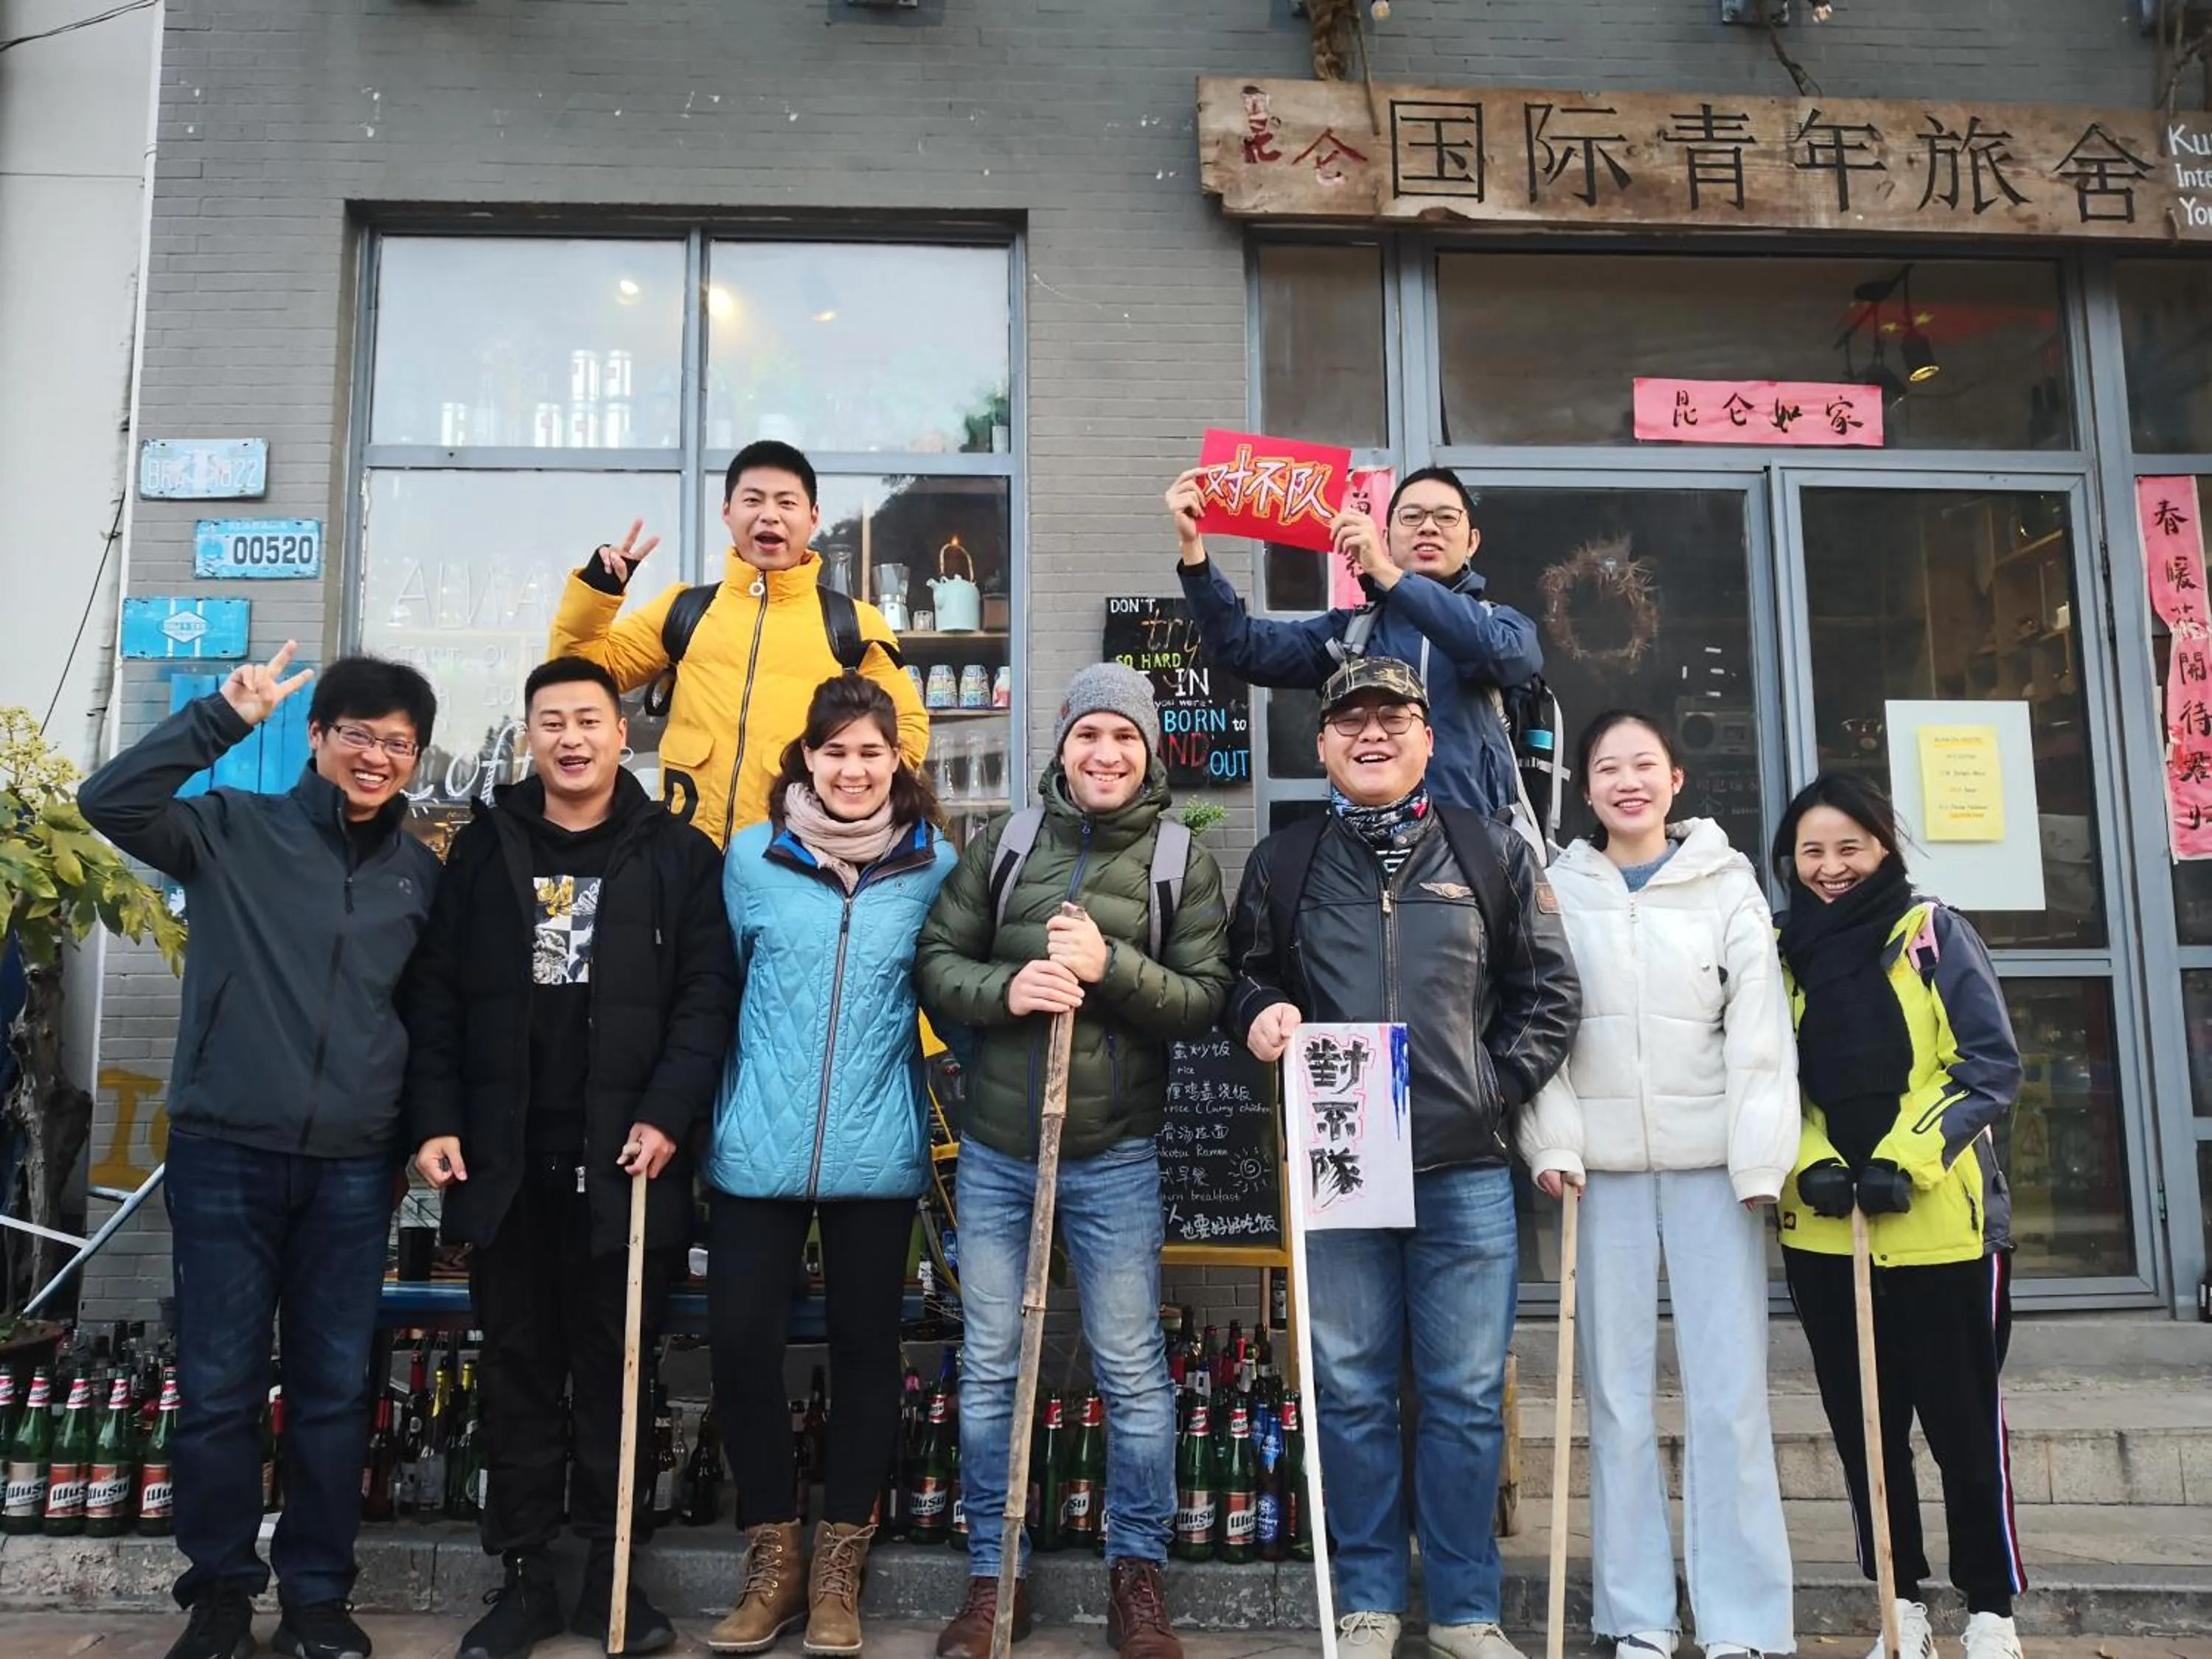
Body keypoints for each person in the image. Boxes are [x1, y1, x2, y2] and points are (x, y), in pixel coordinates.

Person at [78, 647, 440, 1659]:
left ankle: (317, 1596)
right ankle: (221, 1597)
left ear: (416, 757)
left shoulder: (420, 874)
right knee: (221, 1386)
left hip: (354, 1169)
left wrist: (414, 1135)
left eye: (398, 743)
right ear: (317, 735)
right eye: (358, 733)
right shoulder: (230, 826)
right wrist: (220, 718)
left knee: (334, 1391)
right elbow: (108, 801)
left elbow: (426, 1019)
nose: (376, 756)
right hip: (226, 1153)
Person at [1223, 655, 1579, 1659]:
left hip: (1465, 1167)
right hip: (1343, 1161)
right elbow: (1240, 976)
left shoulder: (1490, 848)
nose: (1371, 734)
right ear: (1322, 745)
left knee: (1465, 1394)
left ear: (1427, 738)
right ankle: (1370, 1598)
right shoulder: (1284, 861)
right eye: (1350, 721)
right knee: (1350, 1390)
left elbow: (1550, 992)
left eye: (1392, 718)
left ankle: (1465, 1609)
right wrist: (1259, 1012)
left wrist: (1492, 1088)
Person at [403, 656, 737, 1659]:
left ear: (623, 733)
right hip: (506, 1164)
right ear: (529, 735)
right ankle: (523, 1576)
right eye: (551, 721)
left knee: (617, 1373)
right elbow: (435, 994)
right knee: (514, 1368)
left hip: (629, 1164)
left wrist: (668, 1114)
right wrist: (435, 1119)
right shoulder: (481, 848)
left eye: (590, 719)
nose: (572, 738)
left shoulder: (678, 854)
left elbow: (707, 998)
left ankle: (609, 1574)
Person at [915, 663, 1231, 1659]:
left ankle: (1137, 1573)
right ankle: (992, 1574)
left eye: (1125, 736)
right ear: (1061, 745)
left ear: (1149, 752)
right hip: (999, 1154)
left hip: (1114, 1155)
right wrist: (1010, 989)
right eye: (1089, 733)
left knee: (1132, 1368)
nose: (1105, 752)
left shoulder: (1179, 861)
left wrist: (1112, 967)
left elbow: (1205, 999)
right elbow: (936, 962)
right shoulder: (1008, 845)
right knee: (991, 1364)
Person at [1517, 711, 1798, 1659]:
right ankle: (1636, 1615)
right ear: (1585, 789)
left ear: (1677, 779)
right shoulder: (1557, 888)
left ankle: (1744, 1621)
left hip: (1714, 1171)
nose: (1628, 782)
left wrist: (1760, 1158)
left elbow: (1760, 1035)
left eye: (1645, 765)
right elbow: (1538, 1024)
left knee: (1729, 1396)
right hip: (1600, 1176)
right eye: (1609, 768)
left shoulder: (1726, 883)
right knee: (1615, 1399)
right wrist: (1553, 1142)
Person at [702, 675, 956, 1658]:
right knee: (739, 1344)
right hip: (754, 1151)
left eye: (871, 753)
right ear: (806, 757)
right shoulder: (751, 858)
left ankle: (840, 1564)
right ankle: (773, 1556)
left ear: (897, 760)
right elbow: (713, 991)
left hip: (875, 1151)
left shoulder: (934, 865)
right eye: (835, 751)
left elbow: (957, 987)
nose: (853, 770)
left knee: (866, 1355)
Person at [1772, 774, 2027, 1659]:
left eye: (1851, 847)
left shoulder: (1931, 933)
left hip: (1941, 1229)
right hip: (1826, 1233)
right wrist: (1813, 1162)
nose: (1831, 866)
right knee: (1866, 1435)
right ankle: (1900, 1603)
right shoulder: (1779, 952)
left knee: (1965, 1429)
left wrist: (1902, 1159)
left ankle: (1990, 1610)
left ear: (1885, 848)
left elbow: (1986, 1063)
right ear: (1789, 861)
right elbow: (1764, 1078)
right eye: (1812, 851)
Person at [549, 438, 929, 848]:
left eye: (786, 502)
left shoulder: (853, 624)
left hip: (794, 858)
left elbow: (907, 729)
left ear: (813, 517)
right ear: (727, 511)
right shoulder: (685, 609)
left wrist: (847, 806)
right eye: (753, 500)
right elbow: (574, 680)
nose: (769, 515)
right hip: (684, 854)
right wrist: (599, 591)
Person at [1166, 462, 1540, 817]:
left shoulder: (1500, 624)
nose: (1428, 528)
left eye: (1446, 517)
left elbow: (1501, 655)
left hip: (1476, 846)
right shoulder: (1354, 633)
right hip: (1369, 846)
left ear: (1472, 541)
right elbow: (1243, 647)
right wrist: (1193, 550)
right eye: (1412, 517)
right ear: (1385, 537)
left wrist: (1386, 573)